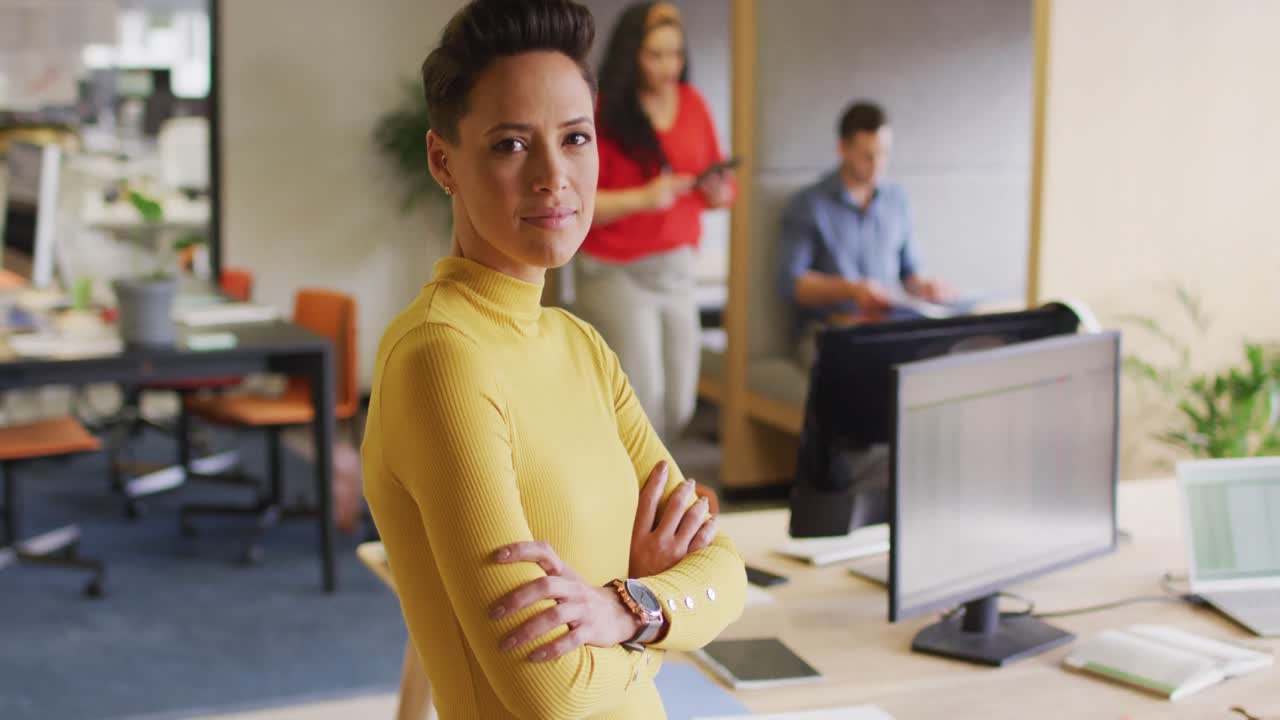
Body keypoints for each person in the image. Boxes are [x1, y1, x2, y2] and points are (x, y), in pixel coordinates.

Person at [361, 2, 746, 718]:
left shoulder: (580, 345)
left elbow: (727, 568)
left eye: (575, 138)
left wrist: (627, 609)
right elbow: (549, 690)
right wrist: (661, 622)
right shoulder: (441, 358)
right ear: (444, 161)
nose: (553, 176)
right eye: (511, 145)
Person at [573, 1, 735, 443]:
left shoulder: (693, 104)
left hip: (677, 270)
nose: (669, 66)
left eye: (676, 54)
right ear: (632, 54)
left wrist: (718, 192)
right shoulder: (601, 111)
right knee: (644, 396)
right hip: (617, 272)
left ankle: (652, 493)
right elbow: (579, 204)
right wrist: (644, 197)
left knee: (681, 401)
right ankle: (640, 501)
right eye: (656, 54)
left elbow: (717, 183)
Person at [778, 100, 952, 366]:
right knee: (865, 372)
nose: (877, 165)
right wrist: (851, 289)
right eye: (867, 156)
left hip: (887, 328)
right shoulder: (810, 204)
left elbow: (909, 272)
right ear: (843, 149)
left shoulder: (897, 200)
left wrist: (925, 286)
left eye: (883, 154)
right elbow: (793, 283)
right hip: (829, 331)